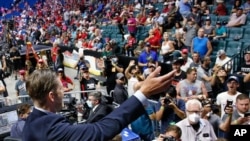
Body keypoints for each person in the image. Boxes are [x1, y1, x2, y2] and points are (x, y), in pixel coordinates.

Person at [22, 67, 176, 140]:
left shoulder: (31, 120)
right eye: (61, 90)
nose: (65, 93)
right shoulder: (51, 128)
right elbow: (99, 130)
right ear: (51, 96)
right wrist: (143, 93)